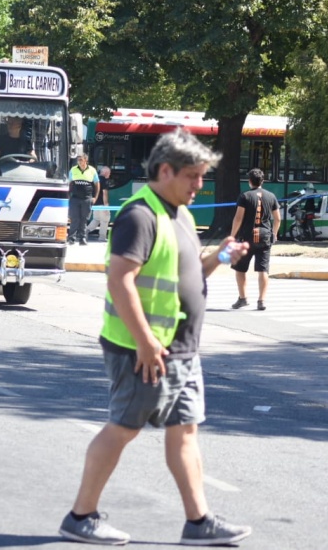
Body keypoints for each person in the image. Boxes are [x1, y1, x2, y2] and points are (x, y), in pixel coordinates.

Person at [58, 129, 252, 547]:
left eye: (202, 177)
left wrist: (220, 257)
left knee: (184, 432)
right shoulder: (139, 215)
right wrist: (145, 342)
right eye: (193, 177)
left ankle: (199, 522)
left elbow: (187, 273)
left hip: (180, 350)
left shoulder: (178, 213)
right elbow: (119, 280)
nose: (200, 185)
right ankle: (81, 515)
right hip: (144, 350)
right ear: (165, 170)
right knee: (122, 429)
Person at [229, 168, 281, 311]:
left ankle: (243, 298)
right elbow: (277, 219)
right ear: (262, 181)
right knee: (263, 269)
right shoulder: (271, 196)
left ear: (249, 181)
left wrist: (232, 236)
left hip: (247, 237)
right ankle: (261, 301)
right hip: (264, 236)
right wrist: (274, 234)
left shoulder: (244, 196)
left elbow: (238, 218)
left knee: (240, 269)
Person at [68, 154, 100, 245]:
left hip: (87, 199)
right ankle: (71, 238)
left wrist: (95, 197)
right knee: (74, 219)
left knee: (84, 219)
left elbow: (97, 184)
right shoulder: (73, 170)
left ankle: (82, 239)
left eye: (81, 160)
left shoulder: (92, 170)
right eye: (78, 160)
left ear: (86, 160)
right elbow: (69, 184)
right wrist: (68, 196)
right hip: (75, 198)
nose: (79, 162)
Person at [86, 165, 112, 242]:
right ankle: (102, 237)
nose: (109, 175)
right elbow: (105, 193)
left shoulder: (95, 179)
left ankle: (86, 231)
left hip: (95, 204)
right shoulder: (104, 181)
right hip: (102, 204)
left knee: (96, 219)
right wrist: (106, 206)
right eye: (109, 173)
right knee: (105, 220)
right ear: (105, 173)